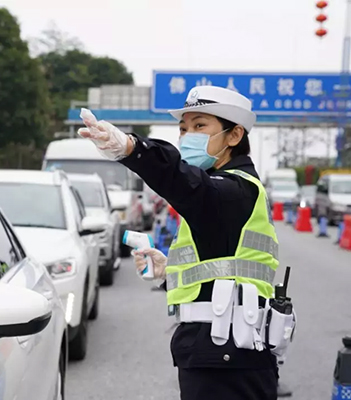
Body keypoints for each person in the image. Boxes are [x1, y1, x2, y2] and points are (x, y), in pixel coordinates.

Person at [79, 86, 295, 400]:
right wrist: (170, 273)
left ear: (234, 136)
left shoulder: (235, 190)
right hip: (223, 352)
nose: (186, 136)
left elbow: (185, 182)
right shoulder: (226, 192)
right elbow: (222, 267)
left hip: (227, 358)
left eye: (199, 126)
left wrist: (131, 148)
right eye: (183, 129)